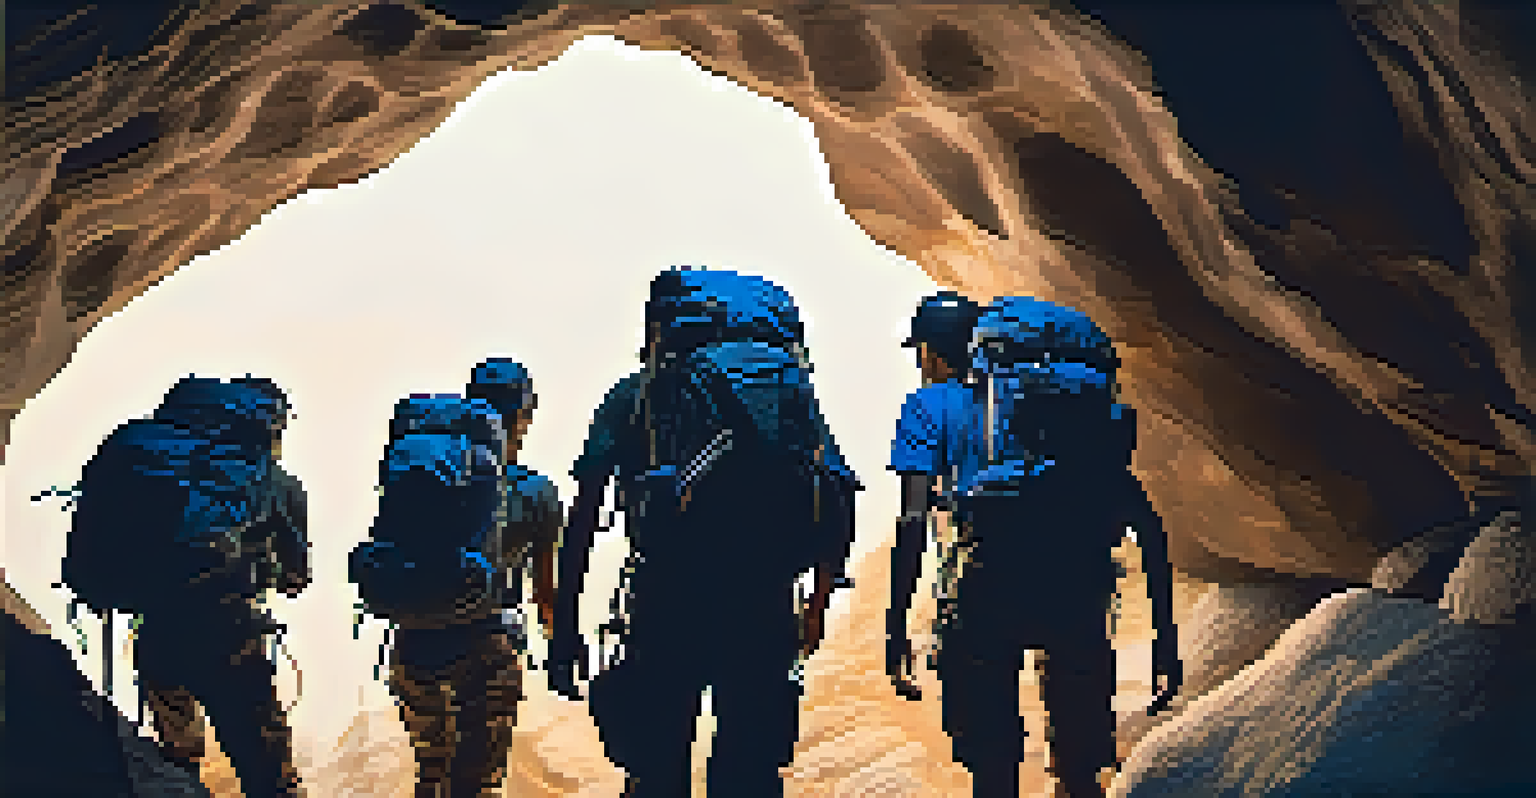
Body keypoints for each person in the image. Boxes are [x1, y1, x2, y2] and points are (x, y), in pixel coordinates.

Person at [549, 267, 859, 798]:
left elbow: (583, 518)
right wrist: (817, 605)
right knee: (750, 772)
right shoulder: (787, 397)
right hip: (763, 602)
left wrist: (565, 629)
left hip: (665, 600)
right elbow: (834, 493)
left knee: (655, 771)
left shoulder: (637, 397)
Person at [886, 295, 1182, 798]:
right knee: (1080, 769)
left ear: (935, 353)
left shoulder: (931, 406)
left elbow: (913, 517)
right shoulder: (1072, 416)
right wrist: (1165, 642)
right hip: (1076, 579)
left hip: (985, 584)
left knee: (993, 768)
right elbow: (1146, 525)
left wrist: (897, 626)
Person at [378, 360, 561, 798]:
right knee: (476, 783)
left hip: (414, 644)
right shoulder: (536, 492)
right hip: (486, 651)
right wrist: (559, 641)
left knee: (432, 769)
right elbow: (546, 595)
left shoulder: (424, 473)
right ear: (524, 416)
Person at [132, 376, 311, 798]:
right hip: (229, 640)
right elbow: (296, 577)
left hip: (156, 636)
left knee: (178, 763)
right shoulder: (273, 484)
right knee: (267, 774)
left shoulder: (154, 468)